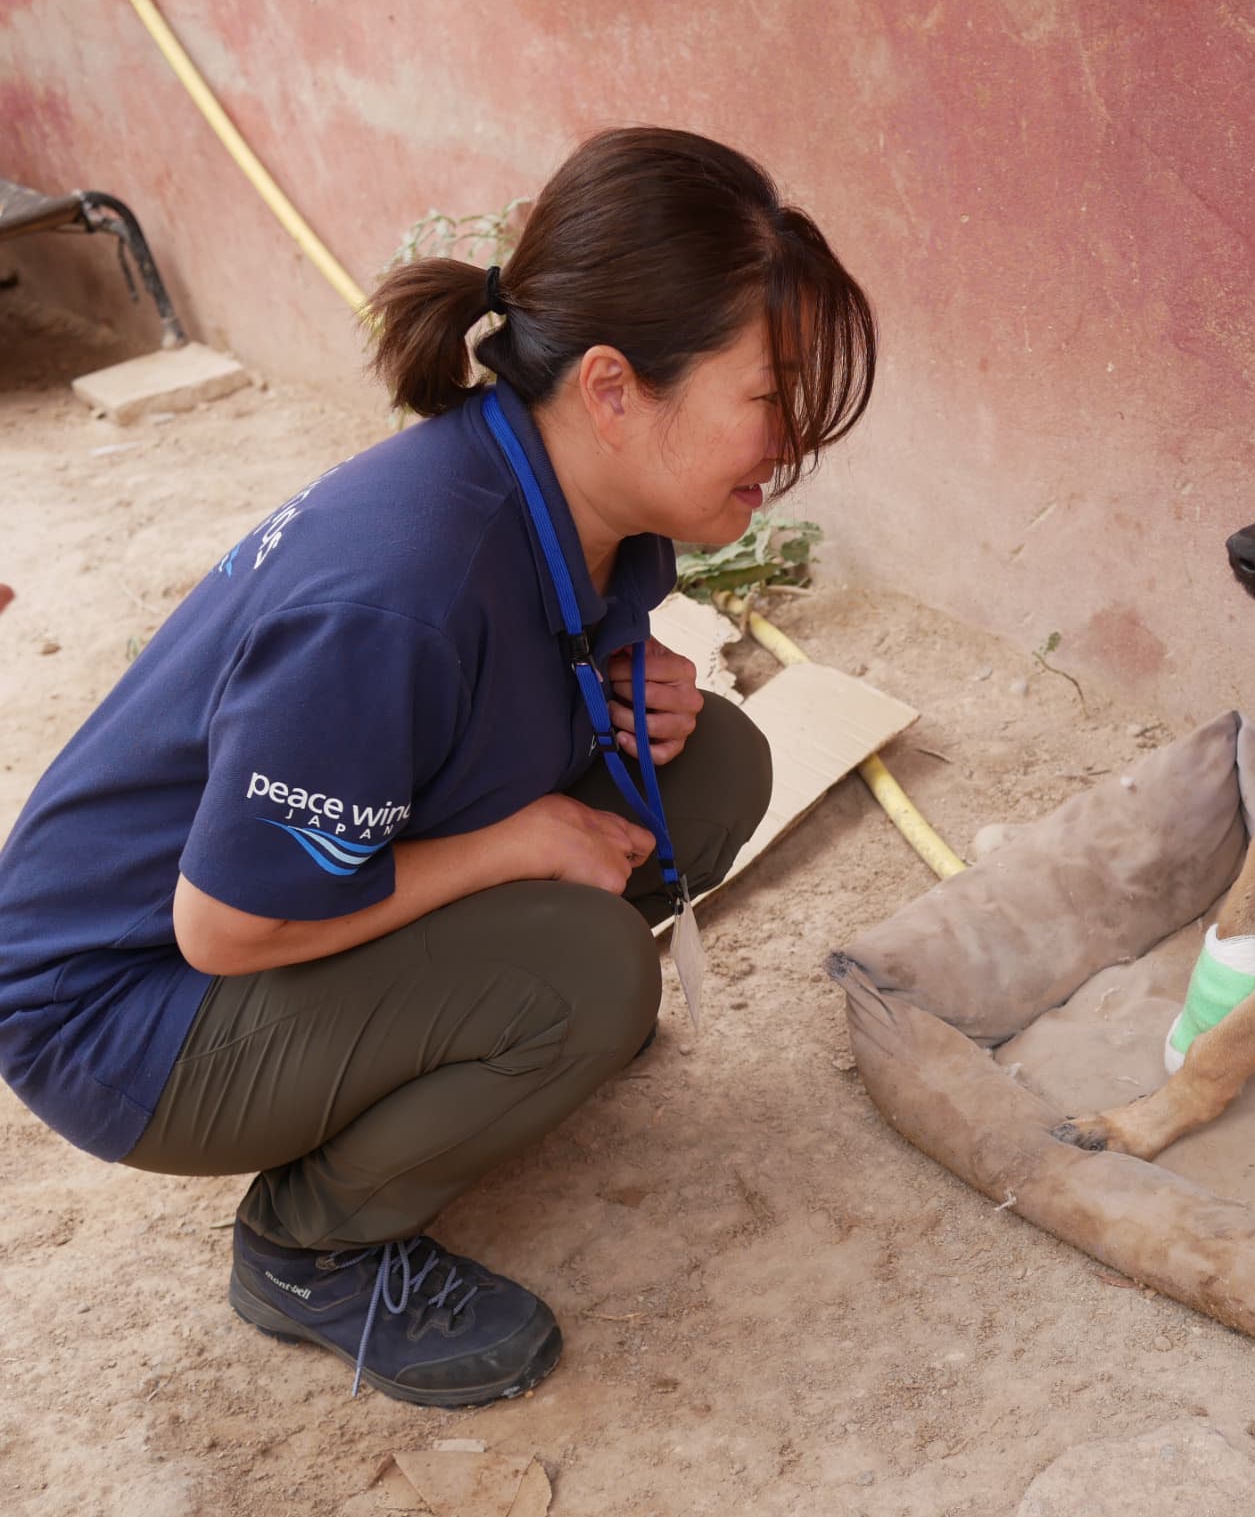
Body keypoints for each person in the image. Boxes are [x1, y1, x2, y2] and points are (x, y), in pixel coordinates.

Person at [0, 127, 875, 1406]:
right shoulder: (402, 583)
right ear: (615, 386)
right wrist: (517, 848)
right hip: (123, 1011)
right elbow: (228, 920)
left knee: (709, 764)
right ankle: (311, 1248)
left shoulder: (580, 502)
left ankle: (484, 1046)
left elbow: (475, 704)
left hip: (239, 927)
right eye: (769, 394)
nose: (790, 443)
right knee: (585, 968)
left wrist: (603, 693)